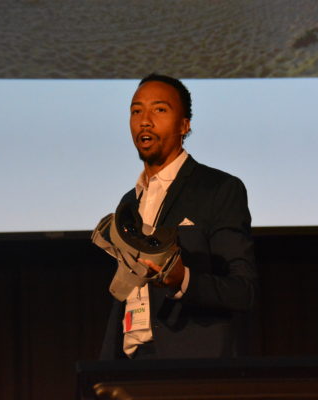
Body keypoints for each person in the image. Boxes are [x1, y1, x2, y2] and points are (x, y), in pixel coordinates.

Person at [99, 74, 257, 360]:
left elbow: (242, 290)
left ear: (185, 125)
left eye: (159, 109)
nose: (144, 120)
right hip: (131, 361)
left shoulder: (218, 188)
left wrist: (183, 278)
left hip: (192, 364)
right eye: (136, 111)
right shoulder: (129, 202)